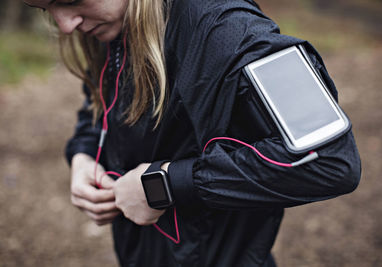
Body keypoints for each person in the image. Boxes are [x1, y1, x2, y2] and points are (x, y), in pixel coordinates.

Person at [23, 0, 361, 266]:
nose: (66, 25)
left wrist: (162, 185)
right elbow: (101, 99)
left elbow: (331, 162)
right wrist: (83, 154)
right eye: (46, 9)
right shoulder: (112, 23)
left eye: (70, 0)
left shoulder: (228, 29)